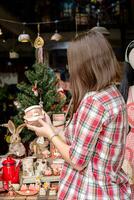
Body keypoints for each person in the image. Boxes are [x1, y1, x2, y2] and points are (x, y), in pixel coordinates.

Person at [25, 30, 131, 199]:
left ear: (85, 65)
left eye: (73, 63)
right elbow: (80, 142)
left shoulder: (94, 101)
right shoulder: (113, 94)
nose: (71, 68)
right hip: (109, 190)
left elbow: (77, 160)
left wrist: (49, 134)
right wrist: (50, 126)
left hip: (91, 192)